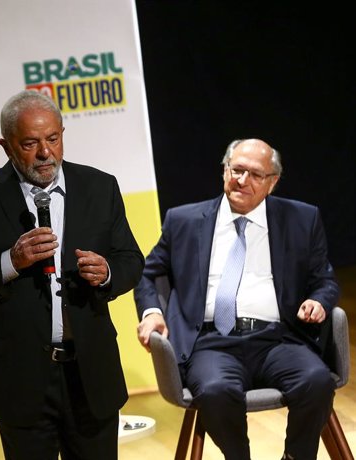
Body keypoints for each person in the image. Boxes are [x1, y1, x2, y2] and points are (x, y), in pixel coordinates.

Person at [0, 90, 144, 459]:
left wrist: (108, 272)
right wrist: (9, 262)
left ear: (62, 133)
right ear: (6, 145)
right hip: (19, 377)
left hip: (89, 371)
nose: (45, 153)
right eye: (30, 143)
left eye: (53, 139)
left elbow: (131, 259)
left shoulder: (99, 187)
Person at [134, 138, 340, 460]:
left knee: (316, 381)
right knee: (216, 391)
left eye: (255, 174)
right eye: (237, 169)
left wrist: (319, 301)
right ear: (224, 171)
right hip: (212, 341)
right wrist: (150, 313)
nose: (242, 180)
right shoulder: (184, 220)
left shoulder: (301, 218)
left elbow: (324, 280)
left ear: (272, 183)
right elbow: (148, 273)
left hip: (279, 339)